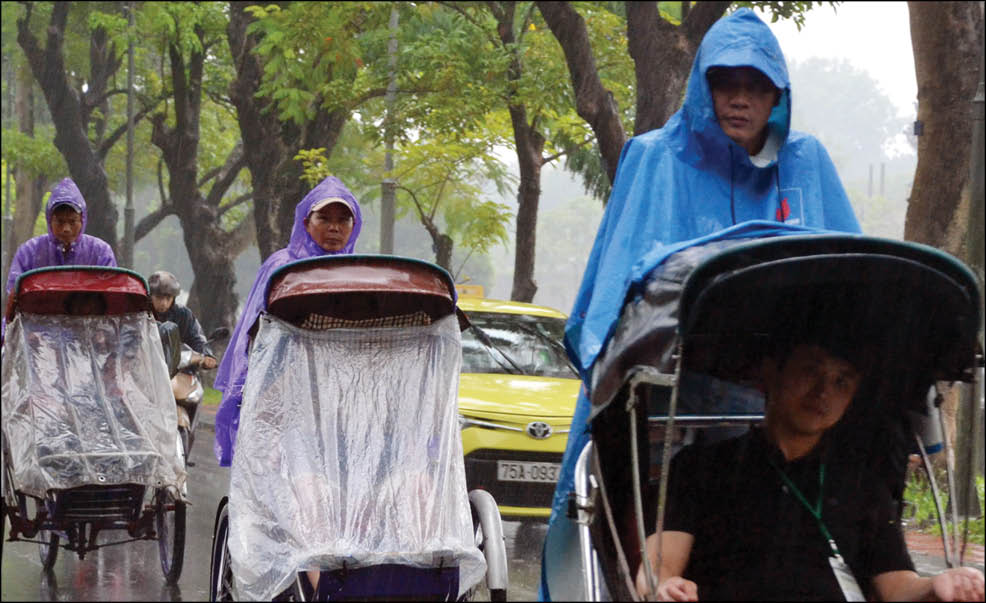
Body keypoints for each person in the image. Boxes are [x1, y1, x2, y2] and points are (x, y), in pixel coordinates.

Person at [543, 10, 864, 596]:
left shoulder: (806, 161)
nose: (740, 100)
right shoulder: (655, 157)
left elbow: (852, 283)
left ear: (778, 97)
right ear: (702, 88)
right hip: (667, 393)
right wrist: (608, 366)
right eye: (725, 84)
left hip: (780, 398)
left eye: (756, 87)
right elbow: (615, 286)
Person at [633, 336, 985, 602]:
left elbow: (897, 585)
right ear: (771, 373)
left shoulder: (862, 483)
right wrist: (665, 586)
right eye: (810, 371)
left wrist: (936, 586)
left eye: (841, 381)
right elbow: (659, 563)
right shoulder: (702, 467)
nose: (823, 393)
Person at [212, 176, 362, 468]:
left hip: (338, 395)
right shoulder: (282, 267)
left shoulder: (358, 274)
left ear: (353, 226)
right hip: (281, 389)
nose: (334, 227)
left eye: (343, 220)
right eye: (324, 218)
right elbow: (256, 333)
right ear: (306, 223)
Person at [5, 178, 117, 294]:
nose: (66, 229)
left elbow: (112, 293)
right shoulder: (29, 252)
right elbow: (14, 293)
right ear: (50, 221)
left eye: (72, 221)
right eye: (60, 221)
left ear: (82, 220)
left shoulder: (100, 251)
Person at [147, 270, 217, 369]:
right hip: (147, 368)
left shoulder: (183, 314)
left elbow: (197, 337)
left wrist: (206, 355)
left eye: (168, 298)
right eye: (159, 297)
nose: (163, 303)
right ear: (150, 296)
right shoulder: (141, 314)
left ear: (173, 298)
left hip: (179, 370)